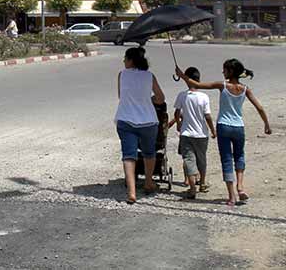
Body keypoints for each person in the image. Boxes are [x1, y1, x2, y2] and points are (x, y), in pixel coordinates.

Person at [177, 58, 271, 207]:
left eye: (225, 69)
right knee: (239, 156)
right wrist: (266, 124)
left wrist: (182, 75)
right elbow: (259, 107)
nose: (223, 72)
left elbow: (197, 84)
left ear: (230, 71)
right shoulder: (245, 89)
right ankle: (240, 187)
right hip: (238, 128)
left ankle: (231, 196)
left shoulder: (223, 86)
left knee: (227, 159)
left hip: (223, 127)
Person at [115, 46, 166, 204]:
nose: (124, 61)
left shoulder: (122, 75)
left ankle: (131, 192)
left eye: (125, 58)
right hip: (148, 121)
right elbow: (160, 98)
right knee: (149, 153)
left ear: (131, 60)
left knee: (128, 155)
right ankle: (148, 182)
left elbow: (120, 96)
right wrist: (147, 100)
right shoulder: (149, 76)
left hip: (125, 119)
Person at [171, 66, 216, 199]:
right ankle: (202, 183)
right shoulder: (204, 97)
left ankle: (192, 188)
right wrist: (213, 130)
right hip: (202, 134)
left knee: (189, 160)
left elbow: (176, 112)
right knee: (202, 159)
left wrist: (179, 124)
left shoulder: (182, 95)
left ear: (186, 80)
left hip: (186, 134)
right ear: (198, 79)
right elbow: (207, 116)